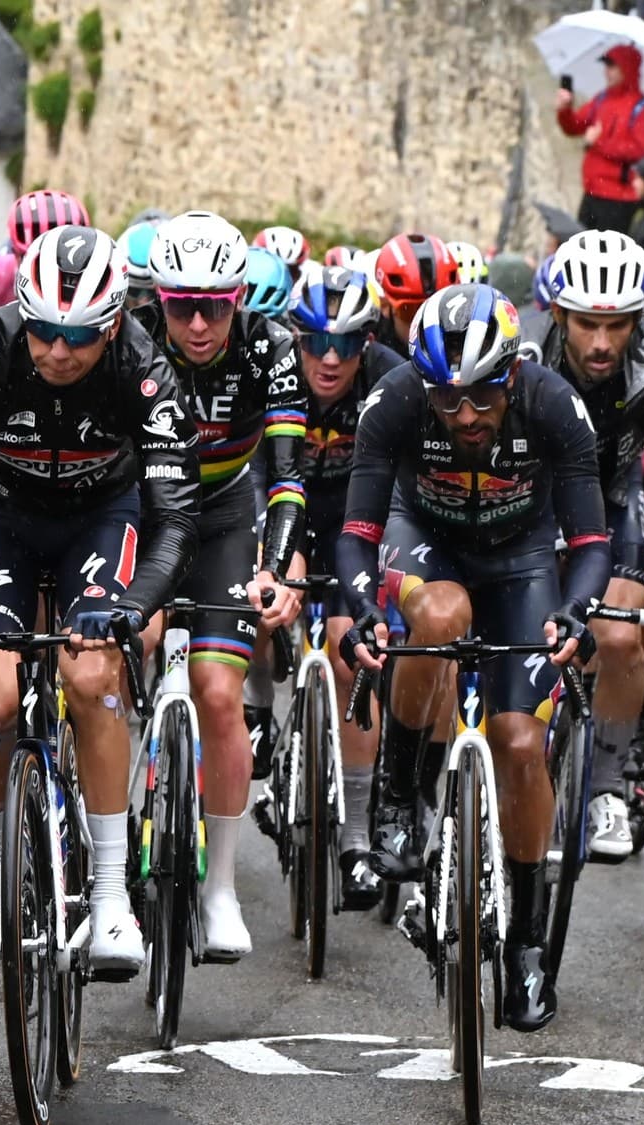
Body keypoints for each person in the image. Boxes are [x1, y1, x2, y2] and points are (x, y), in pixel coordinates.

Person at [0, 224, 198, 976]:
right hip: (0, 514)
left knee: (92, 677)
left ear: (116, 322)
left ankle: (111, 894)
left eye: (81, 335)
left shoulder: (146, 371)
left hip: (104, 514)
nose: (59, 351)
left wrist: (134, 610)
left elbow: (175, 518)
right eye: (45, 332)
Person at [338, 283, 608, 1030]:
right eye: (447, 400)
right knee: (441, 613)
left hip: (523, 556)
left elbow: (590, 544)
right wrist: (365, 609)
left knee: (520, 739)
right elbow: (356, 534)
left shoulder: (553, 404)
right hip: (424, 538)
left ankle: (525, 942)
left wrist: (573, 612)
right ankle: (397, 793)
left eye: (482, 398)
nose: (464, 417)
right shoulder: (393, 401)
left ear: (511, 376)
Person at [136, 210, 307, 960]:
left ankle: (222, 889)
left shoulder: (271, 346)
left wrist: (275, 564)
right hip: (143, 505)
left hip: (227, 514)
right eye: (181, 304)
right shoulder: (131, 339)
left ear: (240, 295)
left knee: (217, 690)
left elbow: (289, 473)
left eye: (215, 304)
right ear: (158, 298)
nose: (199, 321)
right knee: (123, 642)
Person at [522, 229, 644, 861]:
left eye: (618, 325)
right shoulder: (524, 351)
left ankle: (606, 789)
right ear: (559, 314)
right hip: (529, 493)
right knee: (530, 629)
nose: (602, 344)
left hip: (611, 498)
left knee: (624, 634)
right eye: (587, 325)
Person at [265, 261, 402, 912]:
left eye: (344, 343)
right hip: (282, 512)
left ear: (366, 343)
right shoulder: (274, 372)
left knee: (352, 655)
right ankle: (263, 731)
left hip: (354, 524)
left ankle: (353, 840)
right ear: (296, 338)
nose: (328, 357)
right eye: (315, 340)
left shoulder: (386, 381)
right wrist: (275, 555)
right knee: (260, 610)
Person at [555, 45, 644, 234]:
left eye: (612, 66)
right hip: (592, 191)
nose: (607, 72)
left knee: (605, 257)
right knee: (581, 252)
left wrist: (599, 143)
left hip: (618, 198)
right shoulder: (602, 99)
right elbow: (574, 127)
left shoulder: (642, 108)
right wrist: (565, 110)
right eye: (607, 66)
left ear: (626, 69)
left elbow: (639, 151)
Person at [370, 232, 457, 354]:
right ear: (385, 306)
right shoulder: (369, 351)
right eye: (411, 310)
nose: (424, 325)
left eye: (440, 312)